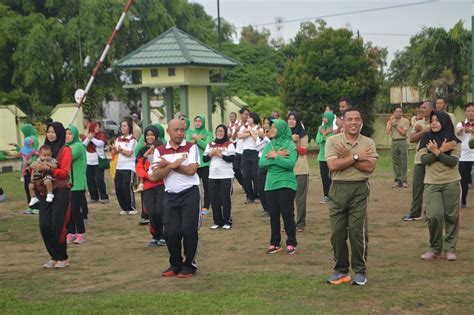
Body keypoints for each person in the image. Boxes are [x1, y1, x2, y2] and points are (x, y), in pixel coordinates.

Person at [325, 109, 378, 286]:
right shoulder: (333, 141)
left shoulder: (367, 142)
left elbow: (370, 167)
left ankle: (360, 271)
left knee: (357, 232)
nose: (353, 122)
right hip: (338, 189)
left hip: (359, 188)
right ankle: (341, 270)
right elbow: (333, 165)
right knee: (337, 233)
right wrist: (355, 156)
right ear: (342, 121)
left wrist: (346, 158)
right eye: (350, 119)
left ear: (361, 121)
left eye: (357, 119)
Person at [151, 119, 201, 278]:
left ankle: (189, 265)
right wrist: (172, 165)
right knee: (170, 232)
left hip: (190, 193)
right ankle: (175, 263)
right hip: (170, 194)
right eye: (176, 130)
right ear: (168, 132)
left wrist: (170, 165)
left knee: (188, 230)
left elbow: (191, 170)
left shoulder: (191, 147)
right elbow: (155, 176)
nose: (179, 132)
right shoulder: (159, 151)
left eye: (182, 129)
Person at [419, 111, 461, 261]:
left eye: (437, 120)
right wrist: (442, 150)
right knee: (434, 216)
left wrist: (436, 151)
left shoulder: (454, 140)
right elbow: (424, 160)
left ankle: (450, 249)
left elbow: (452, 162)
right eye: (432, 121)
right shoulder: (426, 138)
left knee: (451, 216)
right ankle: (435, 249)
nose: (434, 123)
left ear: (445, 122)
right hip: (432, 183)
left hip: (451, 181)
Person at [31, 122, 72, 269]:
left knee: (58, 224)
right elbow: (36, 167)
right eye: (48, 131)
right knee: (44, 225)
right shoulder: (44, 150)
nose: (50, 134)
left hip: (60, 190)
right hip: (44, 191)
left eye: (54, 132)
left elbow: (64, 173)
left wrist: (47, 168)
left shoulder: (65, 150)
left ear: (59, 133)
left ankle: (63, 257)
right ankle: (54, 256)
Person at [259, 119, 298, 255]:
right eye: (271, 127)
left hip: (286, 182)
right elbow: (261, 163)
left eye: (274, 127)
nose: (271, 129)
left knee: (287, 213)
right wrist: (277, 158)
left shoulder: (290, 145)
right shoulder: (269, 145)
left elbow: (290, 164)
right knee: (273, 214)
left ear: (281, 129)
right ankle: (275, 243)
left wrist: (275, 156)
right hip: (270, 183)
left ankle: (291, 242)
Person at [403, 100, 434, 221]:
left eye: (424, 107)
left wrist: (423, 131)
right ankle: (415, 213)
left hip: (433, 158)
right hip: (419, 159)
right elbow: (412, 139)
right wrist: (424, 131)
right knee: (417, 187)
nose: (421, 110)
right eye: (421, 107)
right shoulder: (418, 122)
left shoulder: (437, 122)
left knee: (431, 187)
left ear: (431, 109)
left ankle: (430, 213)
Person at [136, 124, 166, 247]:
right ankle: (155, 235)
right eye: (147, 135)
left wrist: (158, 175)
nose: (149, 137)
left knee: (161, 210)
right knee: (151, 212)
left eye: (152, 135)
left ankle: (164, 235)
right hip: (148, 185)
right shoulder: (142, 151)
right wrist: (148, 177)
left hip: (161, 184)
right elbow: (138, 167)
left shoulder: (163, 148)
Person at [204, 125, 236, 229]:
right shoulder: (210, 144)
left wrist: (220, 154)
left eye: (222, 131)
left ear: (225, 132)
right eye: (218, 131)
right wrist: (210, 154)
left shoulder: (229, 144)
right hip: (213, 175)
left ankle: (227, 221)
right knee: (214, 199)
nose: (220, 133)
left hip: (226, 175)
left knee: (225, 198)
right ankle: (217, 222)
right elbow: (204, 159)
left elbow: (232, 158)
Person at [65, 125, 88, 244]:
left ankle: (81, 233)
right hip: (68, 184)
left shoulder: (78, 147)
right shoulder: (66, 147)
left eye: (70, 133)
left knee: (75, 209)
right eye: (66, 134)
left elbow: (66, 158)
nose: (67, 136)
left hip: (77, 183)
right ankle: (71, 232)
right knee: (68, 209)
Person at [287, 111, 309, 233]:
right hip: (286, 169)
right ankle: (289, 223)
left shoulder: (303, 134)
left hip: (300, 169)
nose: (291, 121)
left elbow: (303, 152)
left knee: (299, 198)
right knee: (287, 199)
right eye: (289, 119)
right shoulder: (283, 134)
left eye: (294, 119)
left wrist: (293, 142)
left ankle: (300, 223)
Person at [11, 124, 40, 214]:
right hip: (27, 168)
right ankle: (31, 206)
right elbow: (25, 151)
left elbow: (32, 152)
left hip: (31, 168)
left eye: (24, 132)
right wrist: (17, 147)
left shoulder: (32, 139)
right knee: (28, 187)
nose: (23, 134)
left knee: (32, 187)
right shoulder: (31, 138)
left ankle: (36, 207)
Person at [187, 115, 212, 214]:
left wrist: (197, 139)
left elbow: (207, 146)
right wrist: (198, 139)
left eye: (199, 121)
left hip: (205, 164)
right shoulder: (190, 133)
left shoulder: (208, 133)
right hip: (194, 164)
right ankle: (195, 206)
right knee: (194, 187)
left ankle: (206, 206)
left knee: (207, 186)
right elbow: (188, 146)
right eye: (196, 121)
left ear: (203, 122)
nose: (197, 123)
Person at [112, 118, 137, 215]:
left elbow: (129, 153)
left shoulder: (132, 140)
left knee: (127, 187)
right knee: (118, 187)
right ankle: (124, 207)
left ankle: (132, 207)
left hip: (129, 167)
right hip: (119, 166)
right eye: (121, 126)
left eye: (124, 126)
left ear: (129, 127)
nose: (122, 128)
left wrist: (119, 149)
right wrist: (115, 149)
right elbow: (114, 152)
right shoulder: (118, 139)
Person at [82, 121, 109, 204]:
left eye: (98, 126)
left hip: (98, 162)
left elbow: (100, 143)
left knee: (99, 179)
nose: (97, 128)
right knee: (90, 180)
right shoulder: (88, 136)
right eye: (95, 126)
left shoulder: (101, 135)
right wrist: (88, 138)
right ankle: (94, 197)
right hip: (89, 162)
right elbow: (83, 145)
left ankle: (104, 196)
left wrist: (91, 138)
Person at [238, 112, 260, 204]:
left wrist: (249, 132)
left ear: (254, 118)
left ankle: (256, 195)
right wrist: (251, 132)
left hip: (255, 152)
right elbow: (239, 136)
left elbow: (256, 138)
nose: (248, 118)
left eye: (250, 117)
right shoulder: (244, 127)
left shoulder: (258, 128)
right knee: (245, 175)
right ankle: (249, 196)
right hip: (245, 153)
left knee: (255, 175)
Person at [386, 105, 409, 188]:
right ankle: (397, 180)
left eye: (400, 111)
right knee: (395, 162)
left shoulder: (405, 121)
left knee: (404, 161)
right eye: (397, 111)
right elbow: (388, 132)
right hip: (394, 142)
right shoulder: (391, 121)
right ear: (393, 112)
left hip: (402, 141)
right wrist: (390, 122)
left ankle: (404, 180)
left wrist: (395, 125)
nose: (399, 113)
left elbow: (403, 132)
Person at [455, 103, 474, 208]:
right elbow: (458, 132)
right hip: (464, 156)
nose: (471, 112)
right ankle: (463, 201)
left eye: (473, 110)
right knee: (464, 181)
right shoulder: (461, 123)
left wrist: (470, 130)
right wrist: (464, 129)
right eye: (469, 110)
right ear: (466, 112)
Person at [316, 111, 336, 204]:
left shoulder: (334, 129)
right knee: (324, 177)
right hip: (322, 157)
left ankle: (333, 195)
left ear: (330, 118)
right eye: (323, 117)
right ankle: (326, 196)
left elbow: (331, 141)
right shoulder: (321, 128)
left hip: (332, 156)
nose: (324, 119)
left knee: (332, 176)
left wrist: (326, 135)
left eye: (326, 118)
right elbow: (318, 140)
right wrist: (324, 134)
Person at [256, 117, 272, 216]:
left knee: (269, 186)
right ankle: (265, 208)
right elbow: (258, 147)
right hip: (261, 161)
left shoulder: (274, 134)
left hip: (271, 161)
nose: (265, 125)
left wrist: (265, 138)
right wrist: (264, 139)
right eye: (264, 123)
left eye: (267, 123)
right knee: (260, 186)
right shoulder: (260, 135)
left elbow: (271, 145)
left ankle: (271, 208)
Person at [231, 107, 249, 190]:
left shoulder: (250, 124)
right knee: (235, 169)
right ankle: (244, 185)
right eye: (245, 114)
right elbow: (234, 138)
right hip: (238, 150)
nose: (246, 116)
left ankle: (248, 189)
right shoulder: (237, 124)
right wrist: (236, 130)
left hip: (246, 151)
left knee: (246, 172)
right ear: (241, 114)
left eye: (248, 115)